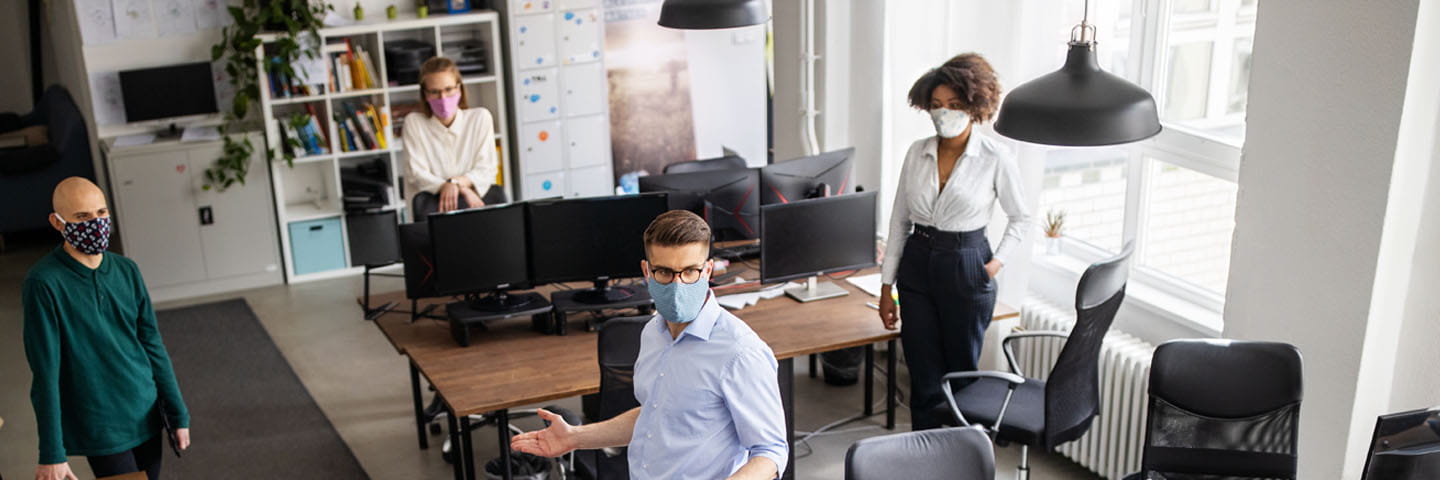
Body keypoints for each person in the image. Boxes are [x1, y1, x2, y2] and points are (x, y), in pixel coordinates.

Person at [511, 210, 788, 480]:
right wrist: (575, 438)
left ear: (708, 270)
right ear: (646, 271)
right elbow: (656, 415)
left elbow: (771, 452)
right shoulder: (653, 333)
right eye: (665, 272)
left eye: (690, 271)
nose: (678, 284)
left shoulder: (740, 353)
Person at [877, 53, 1032, 431]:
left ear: (975, 107)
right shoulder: (917, 153)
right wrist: (886, 286)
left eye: (955, 105)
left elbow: (1022, 218)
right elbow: (899, 221)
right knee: (922, 373)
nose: (944, 113)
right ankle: (923, 455)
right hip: (917, 262)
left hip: (967, 261)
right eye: (936, 106)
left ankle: (960, 458)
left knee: (961, 377)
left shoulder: (995, 157)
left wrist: (993, 265)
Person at [23, 177, 192, 480]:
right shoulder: (43, 283)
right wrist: (52, 451)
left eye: (101, 213)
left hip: (145, 411)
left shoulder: (127, 270)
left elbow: (152, 343)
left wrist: (178, 412)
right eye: (82, 217)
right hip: (99, 423)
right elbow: (45, 371)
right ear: (57, 222)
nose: (96, 223)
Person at [404, 56, 503, 217]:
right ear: (425, 94)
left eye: (449, 89)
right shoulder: (414, 123)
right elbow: (416, 174)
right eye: (435, 92)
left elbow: (487, 168)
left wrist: (455, 183)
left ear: (459, 89)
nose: (443, 98)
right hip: (432, 213)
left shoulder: (480, 118)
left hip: (475, 208)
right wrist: (455, 187)